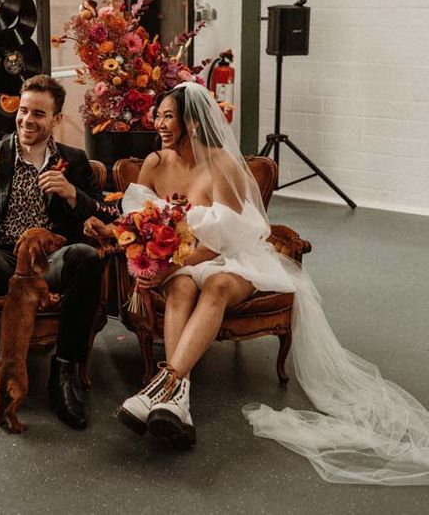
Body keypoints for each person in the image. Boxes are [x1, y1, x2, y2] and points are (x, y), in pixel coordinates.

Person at [85, 81, 429, 485]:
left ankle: (161, 386)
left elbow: (229, 238)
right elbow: (139, 225)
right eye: (157, 115)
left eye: (168, 116)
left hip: (234, 257)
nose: (159, 123)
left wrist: (180, 260)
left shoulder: (223, 166)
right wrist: (154, 262)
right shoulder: (154, 164)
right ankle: (178, 404)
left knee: (214, 287)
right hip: (180, 261)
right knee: (180, 287)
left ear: (192, 123)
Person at [0, 74, 118, 431]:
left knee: (85, 257)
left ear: (55, 120)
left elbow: (106, 213)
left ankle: (64, 373)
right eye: (23, 111)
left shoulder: (74, 160)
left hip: (48, 260)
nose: (27, 120)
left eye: (38, 114)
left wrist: (72, 193)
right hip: (1, 255)